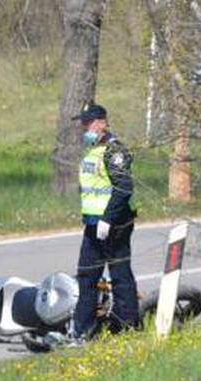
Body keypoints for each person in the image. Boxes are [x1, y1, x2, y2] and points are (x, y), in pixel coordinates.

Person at [70, 103, 139, 341]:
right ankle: (83, 330)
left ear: (101, 123)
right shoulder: (92, 150)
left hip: (115, 224)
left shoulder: (114, 151)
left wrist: (107, 219)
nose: (84, 128)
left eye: (88, 123)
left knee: (120, 275)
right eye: (83, 124)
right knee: (87, 276)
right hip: (93, 224)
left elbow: (123, 188)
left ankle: (127, 326)